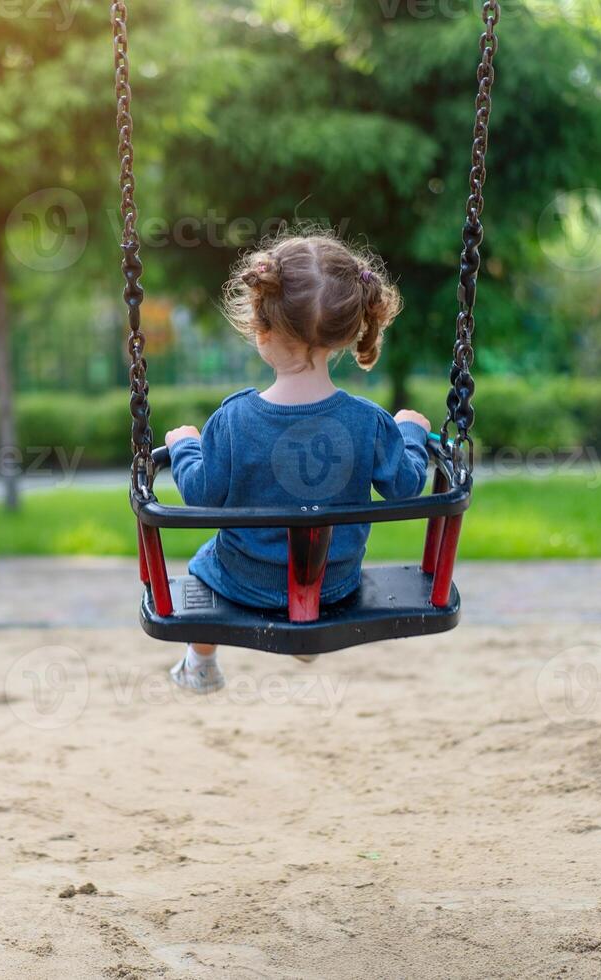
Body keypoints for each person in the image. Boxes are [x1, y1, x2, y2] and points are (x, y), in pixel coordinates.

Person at [164, 232, 432, 692]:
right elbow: (405, 486)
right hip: (334, 584)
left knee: (202, 566)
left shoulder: (233, 419)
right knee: (297, 570)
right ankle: (306, 633)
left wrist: (184, 445)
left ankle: (200, 665)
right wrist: (411, 430)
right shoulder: (368, 421)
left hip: (242, 581)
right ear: (346, 334)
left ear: (261, 329)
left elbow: (201, 493)